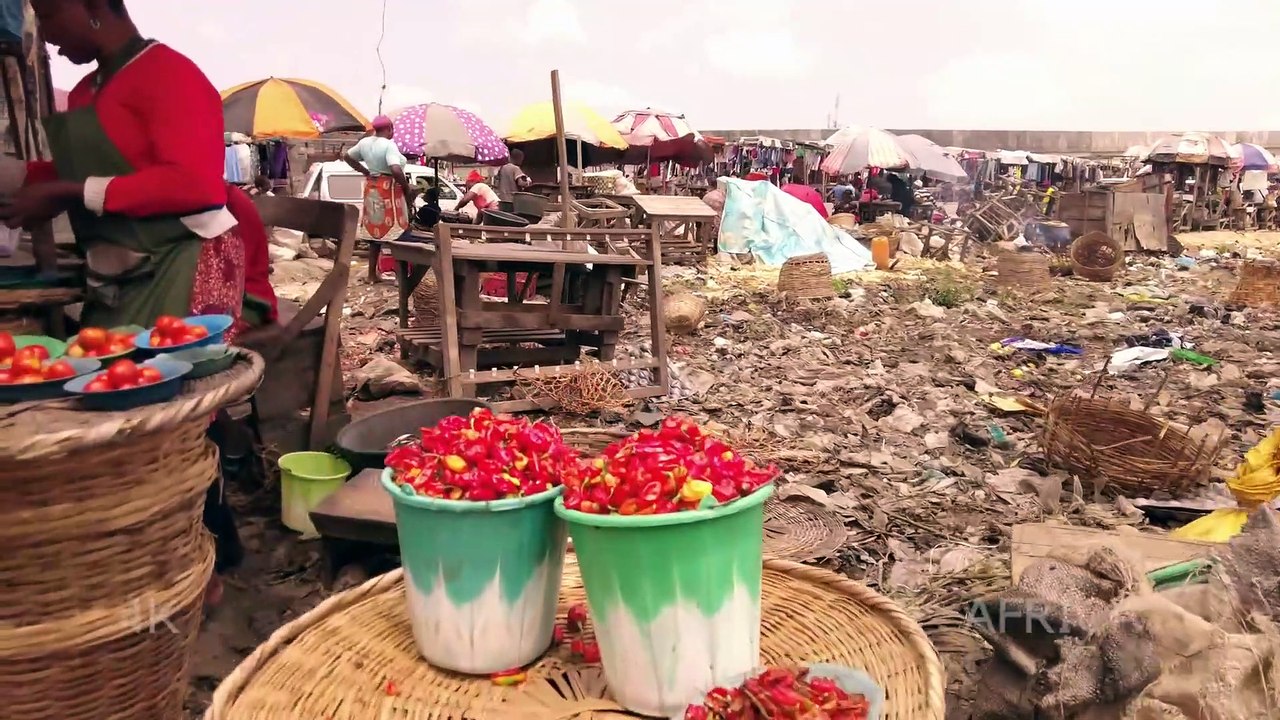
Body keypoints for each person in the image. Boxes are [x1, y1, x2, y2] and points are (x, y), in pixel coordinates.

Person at [4, 0, 252, 606]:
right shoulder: (90, 90)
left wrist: (71, 191)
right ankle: (152, 555)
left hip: (186, 259)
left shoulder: (170, 75)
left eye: (51, 19)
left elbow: (193, 182)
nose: (47, 37)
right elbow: (63, 170)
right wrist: (32, 189)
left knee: (178, 414)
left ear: (89, 9)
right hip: (120, 271)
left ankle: (207, 560)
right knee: (111, 410)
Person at [344, 115, 414, 283]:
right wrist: (406, 188)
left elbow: (347, 157)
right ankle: (399, 277)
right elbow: (396, 169)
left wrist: (365, 171)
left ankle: (371, 275)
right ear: (389, 129)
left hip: (372, 188)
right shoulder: (389, 145)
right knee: (396, 234)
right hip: (389, 189)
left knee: (373, 235)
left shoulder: (364, 143)